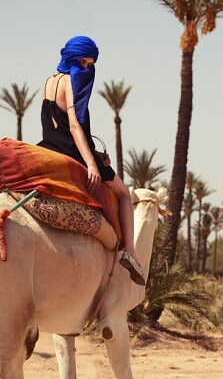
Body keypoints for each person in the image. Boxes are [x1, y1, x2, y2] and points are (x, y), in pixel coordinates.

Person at [38, 35, 146, 285]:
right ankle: (130, 251)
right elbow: (74, 126)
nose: (86, 68)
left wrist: (95, 153)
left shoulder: (48, 82)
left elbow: (55, 123)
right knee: (123, 195)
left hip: (49, 146)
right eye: (83, 62)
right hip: (70, 151)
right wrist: (90, 163)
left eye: (90, 64)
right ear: (71, 58)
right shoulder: (69, 83)